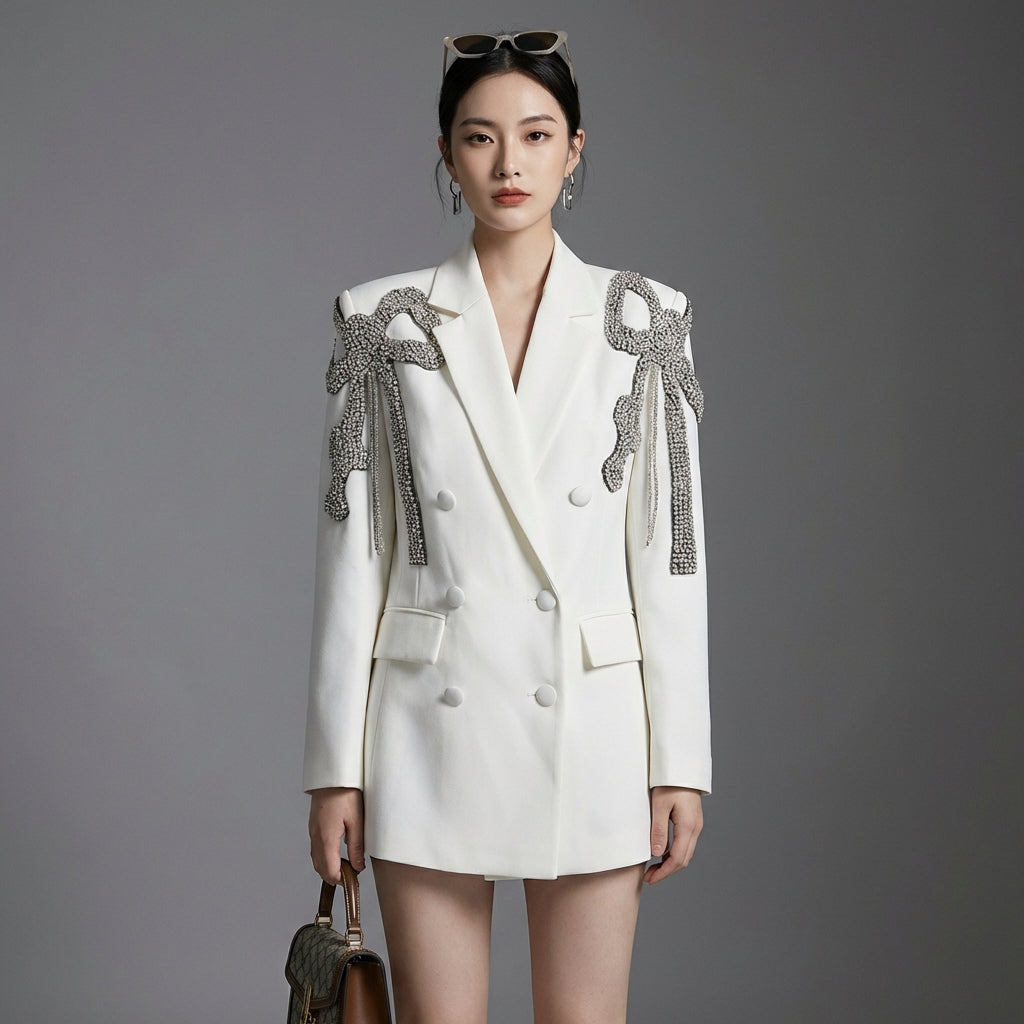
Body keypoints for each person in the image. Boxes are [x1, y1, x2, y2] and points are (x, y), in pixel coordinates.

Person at [304, 30, 711, 1024]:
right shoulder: (381, 321)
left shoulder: (645, 320)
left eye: (535, 135)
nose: (508, 163)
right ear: (446, 156)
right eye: (479, 137)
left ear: (575, 150)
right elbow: (352, 561)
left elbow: (670, 558)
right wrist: (333, 773)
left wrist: (679, 763)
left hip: (593, 722)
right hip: (427, 730)